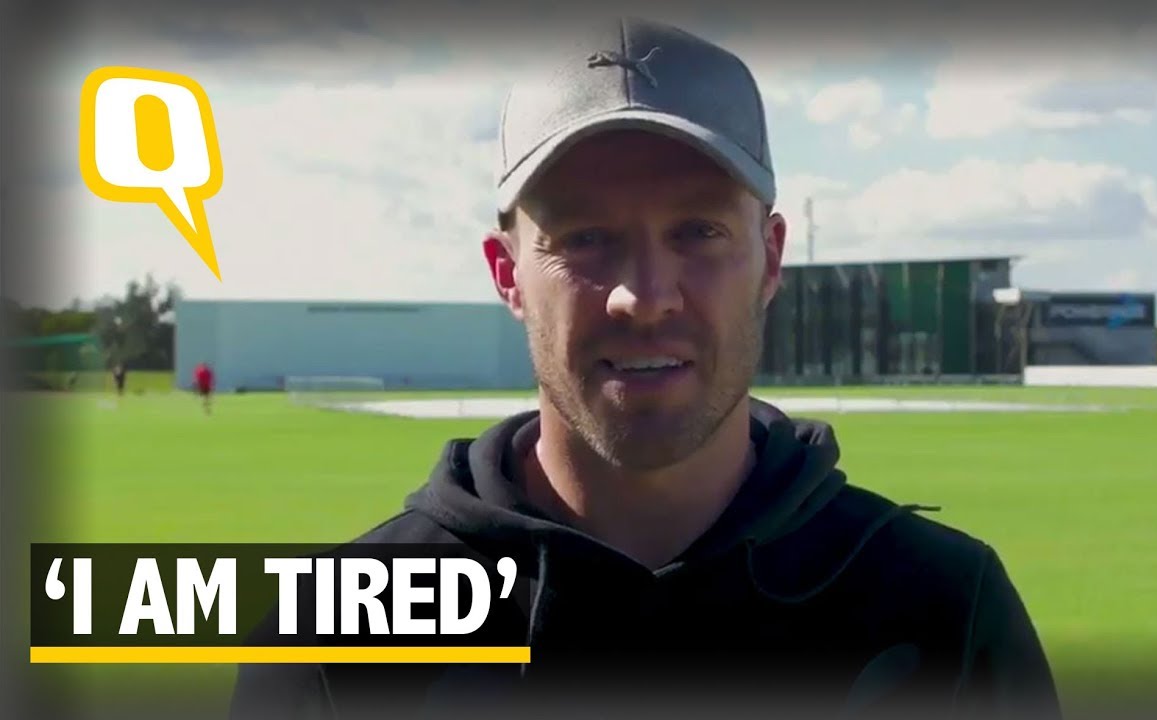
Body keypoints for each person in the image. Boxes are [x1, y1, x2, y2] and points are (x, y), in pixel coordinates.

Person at [231, 17, 1060, 720]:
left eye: (699, 232)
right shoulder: (338, 636)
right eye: (585, 238)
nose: (644, 296)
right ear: (507, 273)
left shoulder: (941, 610)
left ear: (771, 259)